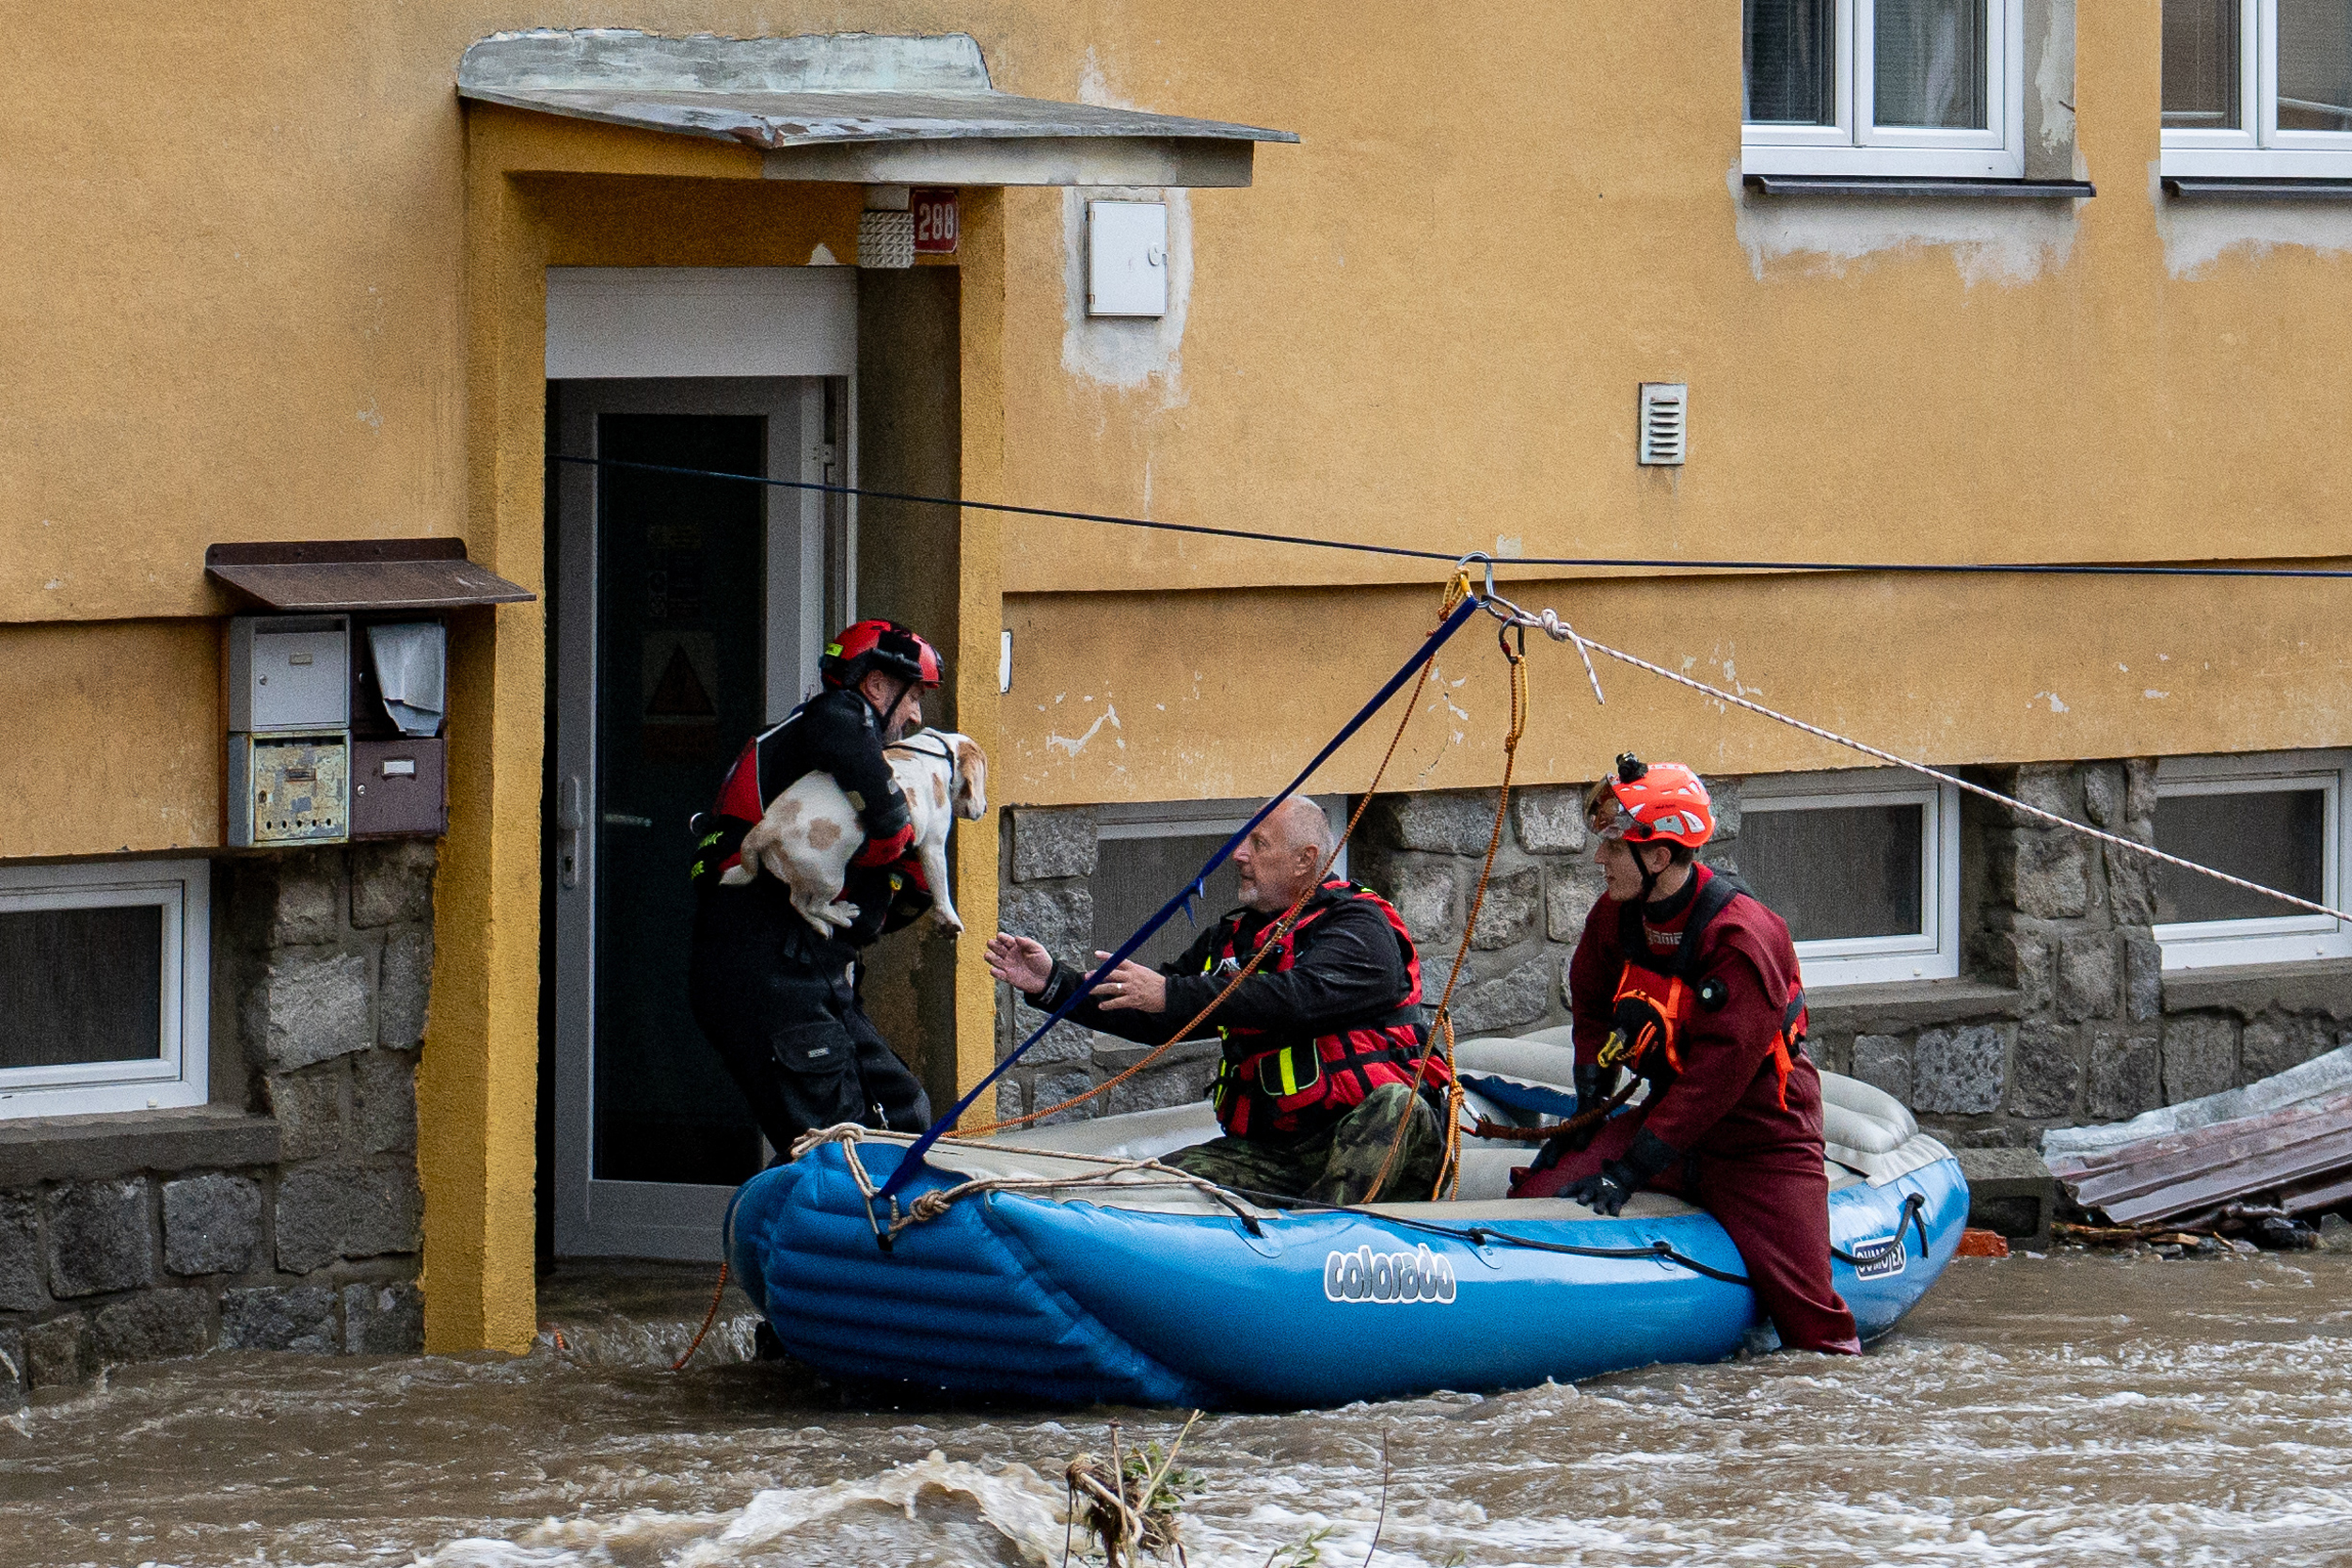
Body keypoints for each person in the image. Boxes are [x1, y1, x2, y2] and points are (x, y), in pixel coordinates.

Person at [1510, 754, 1862, 1356]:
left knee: (1814, 1328)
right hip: (1670, 1125)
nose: (1600, 859)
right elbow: (1592, 1002)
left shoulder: (1741, 938)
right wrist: (1591, 1098)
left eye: (1614, 847)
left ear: (1659, 854)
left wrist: (1629, 1171)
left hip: (1761, 1142)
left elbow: (1715, 1081)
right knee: (1537, 1192)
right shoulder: (1617, 916)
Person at [984, 797, 1451, 1206]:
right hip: (1280, 1154)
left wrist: (1171, 993)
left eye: (1259, 844)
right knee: (1147, 1186)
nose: (1239, 855)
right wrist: (1053, 984)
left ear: (1304, 860)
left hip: (1381, 1142)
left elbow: (1298, 997)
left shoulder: (1358, 926)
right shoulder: (1233, 938)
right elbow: (1160, 1013)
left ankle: (1319, 1250)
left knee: (1394, 1104)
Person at [687, 619, 943, 1157]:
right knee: (838, 1154)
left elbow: (873, 907)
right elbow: (841, 733)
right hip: (768, 974)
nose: (918, 717)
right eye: (914, 696)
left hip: (815, 977)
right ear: (876, 686)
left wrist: (907, 881)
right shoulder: (836, 718)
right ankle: (800, 1239)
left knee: (904, 1114)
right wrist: (894, 823)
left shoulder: (828, 769)